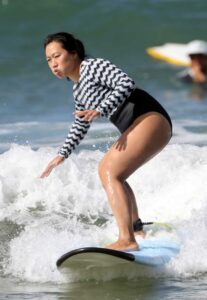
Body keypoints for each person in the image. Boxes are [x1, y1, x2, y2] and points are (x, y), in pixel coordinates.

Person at [40, 32, 172, 251]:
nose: (53, 64)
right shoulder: (78, 89)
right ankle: (136, 228)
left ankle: (127, 240)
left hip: (150, 118)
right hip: (140, 125)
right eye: (49, 60)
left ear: (74, 54)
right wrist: (61, 154)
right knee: (117, 174)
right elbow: (81, 124)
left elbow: (126, 83)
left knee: (108, 170)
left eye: (57, 56)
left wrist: (100, 109)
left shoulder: (92, 66)